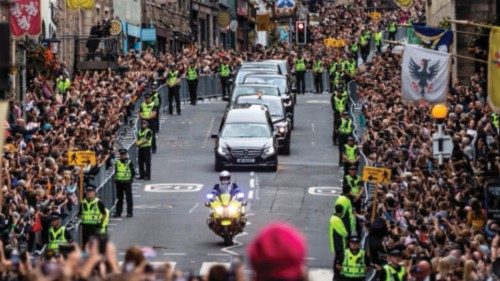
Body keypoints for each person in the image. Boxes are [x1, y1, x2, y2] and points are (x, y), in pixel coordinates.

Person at [114, 149, 135, 218]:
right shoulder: (117, 162)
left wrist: (130, 180)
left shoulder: (129, 162)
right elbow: (116, 171)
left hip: (127, 182)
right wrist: (116, 180)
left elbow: (133, 172)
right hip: (119, 182)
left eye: (124, 154)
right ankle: (118, 212)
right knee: (119, 198)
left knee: (128, 198)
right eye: (121, 154)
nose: (122, 156)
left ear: (126, 155)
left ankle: (129, 212)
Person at [330, 204, 348, 278]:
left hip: (337, 241)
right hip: (338, 241)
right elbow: (343, 232)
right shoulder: (336, 220)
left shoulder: (335, 218)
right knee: (338, 257)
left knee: (337, 257)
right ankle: (336, 273)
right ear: (341, 212)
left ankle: (336, 272)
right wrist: (347, 235)